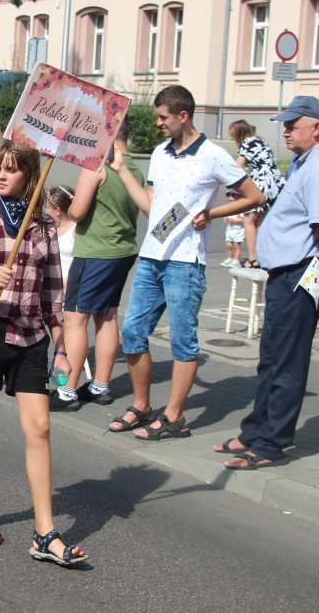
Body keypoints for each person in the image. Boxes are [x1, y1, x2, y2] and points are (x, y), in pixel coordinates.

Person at [0, 138, 87, 568]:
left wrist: (61, 351)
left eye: (11, 169)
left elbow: (53, 297)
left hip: (30, 337)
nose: (2, 175)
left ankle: (45, 533)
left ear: (29, 174)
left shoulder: (44, 226)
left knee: (40, 427)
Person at [107, 85, 263, 439]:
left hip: (185, 262)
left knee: (183, 340)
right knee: (132, 332)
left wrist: (213, 213)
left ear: (183, 115)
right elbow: (150, 206)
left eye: (163, 117)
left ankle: (175, 417)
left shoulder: (213, 154)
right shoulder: (161, 153)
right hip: (151, 256)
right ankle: (142, 406)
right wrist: (121, 170)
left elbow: (254, 196)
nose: (158, 123)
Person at [215, 96, 319, 469]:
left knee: (287, 360)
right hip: (288, 272)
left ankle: (271, 444)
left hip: (303, 271)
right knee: (272, 357)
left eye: (293, 125)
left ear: (317, 128)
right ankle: (254, 431)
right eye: (286, 125)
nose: (286, 131)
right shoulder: (307, 163)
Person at [50, 117, 144, 411]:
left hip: (95, 252)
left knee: (75, 319)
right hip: (123, 250)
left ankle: (67, 392)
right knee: (108, 317)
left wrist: (78, 197)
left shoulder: (96, 165)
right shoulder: (137, 169)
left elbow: (76, 212)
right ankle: (100, 385)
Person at [229, 119, 285, 269]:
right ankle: (262, 256)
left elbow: (236, 167)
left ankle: (253, 258)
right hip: (275, 181)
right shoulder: (261, 141)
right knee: (259, 222)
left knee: (248, 220)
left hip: (262, 182)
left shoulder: (247, 143)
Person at [221, 192, 244, 267]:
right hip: (229, 229)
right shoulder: (229, 207)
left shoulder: (240, 208)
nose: (230, 197)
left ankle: (236, 260)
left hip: (238, 230)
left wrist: (233, 220)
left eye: (233, 195)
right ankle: (229, 258)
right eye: (229, 195)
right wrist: (225, 217)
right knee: (228, 245)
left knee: (237, 245)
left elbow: (243, 220)